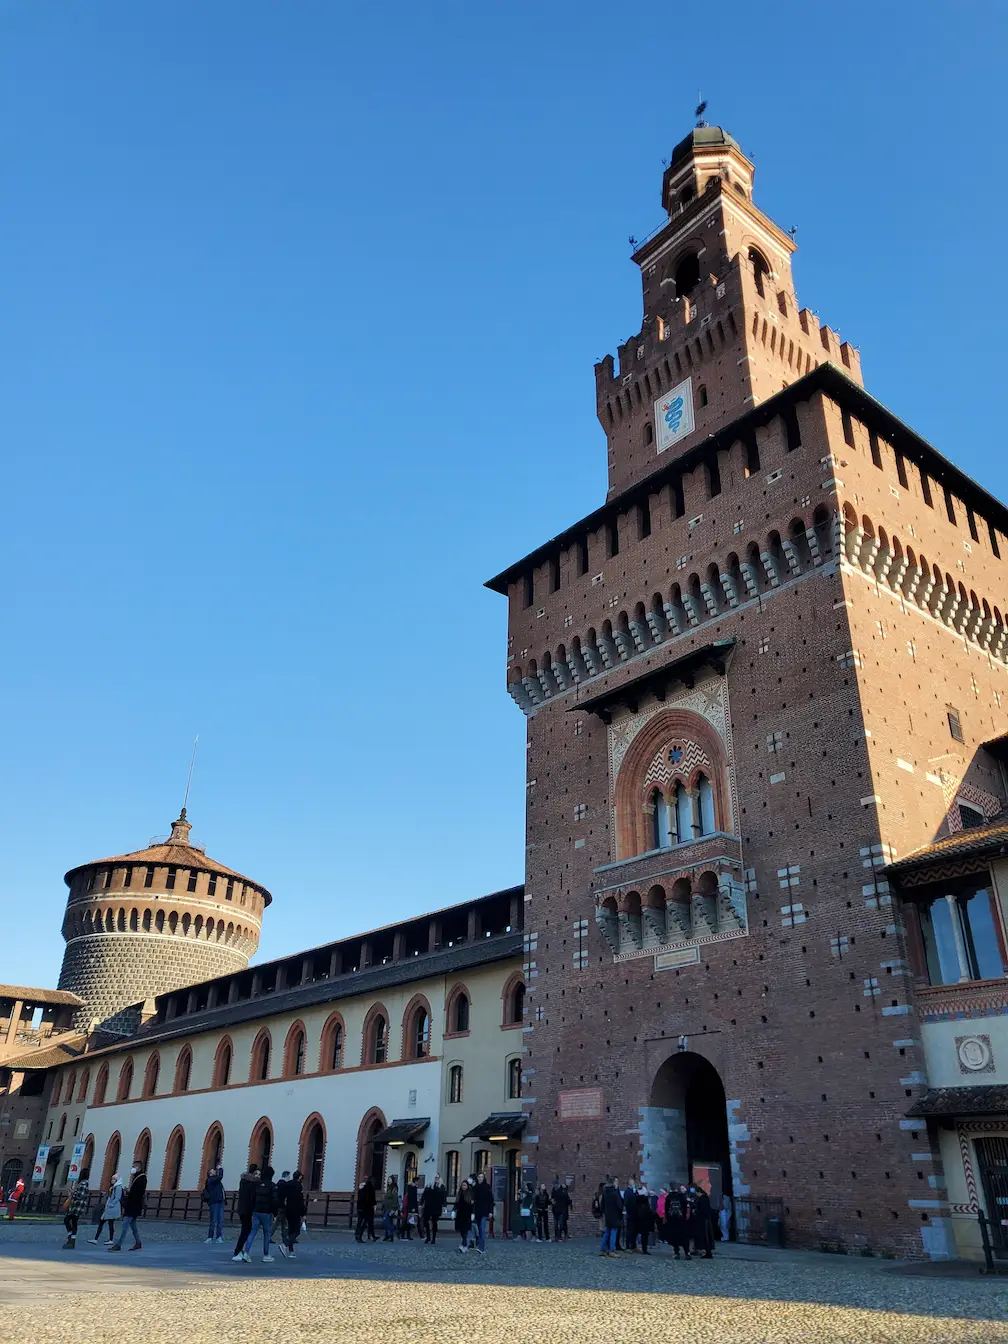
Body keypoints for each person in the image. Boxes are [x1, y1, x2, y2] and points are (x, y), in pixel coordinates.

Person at [108, 1161, 146, 1252]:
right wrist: (129, 1191)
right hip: (132, 1205)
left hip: (134, 1205)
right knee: (133, 1226)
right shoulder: (136, 1177)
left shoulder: (142, 1178)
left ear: (139, 1168)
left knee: (125, 1225)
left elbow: (139, 1192)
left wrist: (129, 1192)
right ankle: (138, 1243)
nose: (132, 1168)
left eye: (134, 1166)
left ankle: (118, 1244)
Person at [244, 1164, 278, 1262]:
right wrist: (274, 1213)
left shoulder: (257, 1184)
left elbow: (252, 1198)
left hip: (256, 1211)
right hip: (267, 1212)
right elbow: (275, 1200)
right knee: (267, 1233)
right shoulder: (272, 1186)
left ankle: (246, 1252)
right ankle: (266, 1255)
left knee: (253, 1232)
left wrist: (253, 1209)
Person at [231, 1163, 259, 1262]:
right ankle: (238, 1250)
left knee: (245, 1229)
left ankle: (239, 1249)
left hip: (241, 1208)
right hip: (247, 1209)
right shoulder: (253, 1183)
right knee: (246, 1230)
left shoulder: (243, 1181)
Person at [62, 1167, 91, 1249]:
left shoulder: (83, 1184)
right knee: (70, 1221)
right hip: (77, 1206)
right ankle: (71, 1237)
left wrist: (72, 1192)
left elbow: (80, 1195)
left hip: (77, 1206)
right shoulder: (83, 1183)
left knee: (70, 1221)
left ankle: (72, 1239)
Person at [280, 1171, 306, 1259]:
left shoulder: (288, 1185)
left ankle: (291, 1251)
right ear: (299, 1177)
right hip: (296, 1210)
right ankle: (285, 1244)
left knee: (291, 1230)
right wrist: (303, 1213)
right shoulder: (298, 1186)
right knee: (296, 1231)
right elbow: (300, 1201)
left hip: (288, 1209)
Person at [91, 1173, 122, 1244]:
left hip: (112, 1208)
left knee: (109, 1223)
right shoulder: (114, 1187)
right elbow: (111, 1196)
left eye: (113, 1179)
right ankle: (97, 1239)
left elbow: (117, 1197)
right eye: (112, 1179)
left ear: (117, 1180)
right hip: (109, 1208)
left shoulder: (118, 1187)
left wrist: (111, 1204)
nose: (112, 1180)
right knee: (103, 1222)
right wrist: (106, 1195)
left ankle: (109, 1240)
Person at [600, 1175, 623, 1257]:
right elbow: (619, 1205)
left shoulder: (605, 1192)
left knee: (607, 1232)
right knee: (613, 1232)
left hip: (607, 1215)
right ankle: (612, 1250)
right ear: (613, 1183)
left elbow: (602, 1204)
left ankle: (602, 1249)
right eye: (616, 1182)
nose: (617, 1183)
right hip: (615, 1215)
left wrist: (605, 1212)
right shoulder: (615, 1193)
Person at [202, 1165, 226, 1244]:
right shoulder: (210, 1180)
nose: (214, 1171)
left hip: (220, 1201)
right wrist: (220, 1169)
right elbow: (220, 1177)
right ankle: (210, 1237)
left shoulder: (216, 1181)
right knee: (213, 1220)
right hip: (214, 1202)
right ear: (209, 1173)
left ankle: (219, 1236)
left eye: (214, 1170)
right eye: (212, 1171)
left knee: (220, 1220)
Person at [472, 1170, 493, 1254]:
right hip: (476, 1211)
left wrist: (490, 1211)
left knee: (482, 1229)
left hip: (484, 1211)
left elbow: (490, 1200)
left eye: (481, 1177)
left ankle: (482, 1247)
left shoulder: (487, 1187)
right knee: (477, 1229)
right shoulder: (475, 1187)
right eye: (479, 1177)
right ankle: (478, 1244)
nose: (480, 1178)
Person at [667, 1186, 691, 1259]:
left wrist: (667, 1219)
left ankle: (676, 1253)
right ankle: (687, 1253)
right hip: (681, 1220)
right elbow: (686, 1206)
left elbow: (666, 1209)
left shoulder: (669, 1197)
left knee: (675, 1237)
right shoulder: (682, 1196)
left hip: (673, 1220)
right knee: (684, 1236)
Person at [420, 1175, 444, 1245]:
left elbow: (442, 1196)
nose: (436, 1179)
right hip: (428, 1206)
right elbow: (424, 1195)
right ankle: (428, 1237)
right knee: (425, 1221)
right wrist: (421, 1202)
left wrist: (444, 1205)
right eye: (435, 1177)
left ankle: (433, 1238)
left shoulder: (441, 1186)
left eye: (437, 1177)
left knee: (434, 1222)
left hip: (436, 1207)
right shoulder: (429, 1185)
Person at [692, 1184, 714, 1258]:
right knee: (706, 1237)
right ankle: (708, 1252)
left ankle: (708, 1252)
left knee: (706, 1236)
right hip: (705, 1219)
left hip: (704, 1221)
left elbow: (702, 1210)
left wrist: (696, 1211)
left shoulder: (702, 1199)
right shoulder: (704, 1198)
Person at [454, 1179, 473, 1253]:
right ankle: (465, 1244)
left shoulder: (470, 1194)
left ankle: (464, 1245)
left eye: (465, 1185)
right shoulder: (459, 1193)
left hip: (467, 1214)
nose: (463, 1187)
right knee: (461, 1230)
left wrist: (473, 1213)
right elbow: (456, 1203)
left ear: (467, 1186)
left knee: (465, 1230)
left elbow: (472, 1205)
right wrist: (453, 1210)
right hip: (460, 1214)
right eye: (462, 1185)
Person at [355, 1177, 376, 1242]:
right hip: (367, 1209)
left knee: (361, 1222)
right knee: (365, 1223)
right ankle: (361, 1235)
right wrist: (373, 1205)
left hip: (361, 1208)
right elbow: (371, 1200)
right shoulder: (371, 1190)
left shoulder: (362, 1190)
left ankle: (358, 1235)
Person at [636, 1185, 654, 1255]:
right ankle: (644, 1249)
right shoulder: (645, 1200)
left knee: (638, 1233)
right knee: (645, 1234)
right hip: (645, 1219)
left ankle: (634, 1246)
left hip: (639, 1218)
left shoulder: (637, 1199)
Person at [381, 1177, 399, 1242]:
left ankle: (393, 1229)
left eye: (389, 1180)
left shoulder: (394, 1189)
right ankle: (389, 1236)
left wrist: (394, 1209)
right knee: (389, 1221)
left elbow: (395, 1198)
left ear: (392, 1180)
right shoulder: (388, 1188)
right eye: (388, 1180)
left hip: (390, 1207)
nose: (388, 1181)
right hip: (386, 1207)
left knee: (386, 1220)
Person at [623, 1177, 638, 1251]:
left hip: (635, 1214)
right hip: (630, 1213)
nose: (634, 1184)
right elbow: (626, 1203)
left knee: (635, 1230)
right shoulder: (627, 1192)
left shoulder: (634, 1191)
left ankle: (633, 1245)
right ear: (629, 1184)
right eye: (633, 1183)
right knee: (630, 1231)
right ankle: (628, 1246)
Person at [403, 1176, 419, 1240]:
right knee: (410, 1221)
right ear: (416, 1181)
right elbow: (412, 1198)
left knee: (409, 1221)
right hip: (411, 1207)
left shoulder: (411, 1188)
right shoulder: (412, 1188)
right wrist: (413, 1207)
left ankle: (405, 1233)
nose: (418, 1183)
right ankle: (405, 1233)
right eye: (418, 1181)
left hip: (411, 1206)